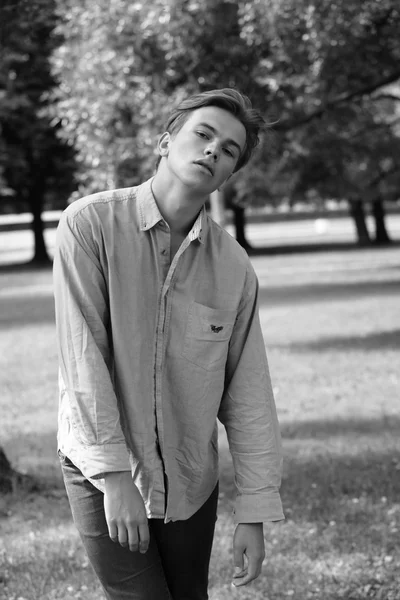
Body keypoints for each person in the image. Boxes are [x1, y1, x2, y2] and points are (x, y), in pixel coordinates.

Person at [53, 87, 284, 600]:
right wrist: (115, 479)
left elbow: (248, 394)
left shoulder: (234, 268)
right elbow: (82, 358)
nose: (212, 151)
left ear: (229, 175)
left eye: (228, 151)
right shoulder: (88, 225)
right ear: (165, 142)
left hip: (189, 480)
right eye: (203, 135)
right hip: (100, 469)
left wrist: (256, 510)